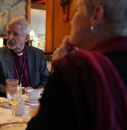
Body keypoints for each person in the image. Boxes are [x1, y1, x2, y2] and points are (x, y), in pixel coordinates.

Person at [27, 0, 127, 129]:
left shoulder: (74, 71)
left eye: (76, 12)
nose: (71, 21)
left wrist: (58, 69)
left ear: (96, 16)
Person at [0, 17, 49, 96]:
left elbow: (47, 80)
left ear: (26, 38)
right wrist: (13, 92)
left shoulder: (37, 54)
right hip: (8, 102)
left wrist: (35, 91)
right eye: (8, 33)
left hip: (33, 101)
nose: (9, 37)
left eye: (15, 34)